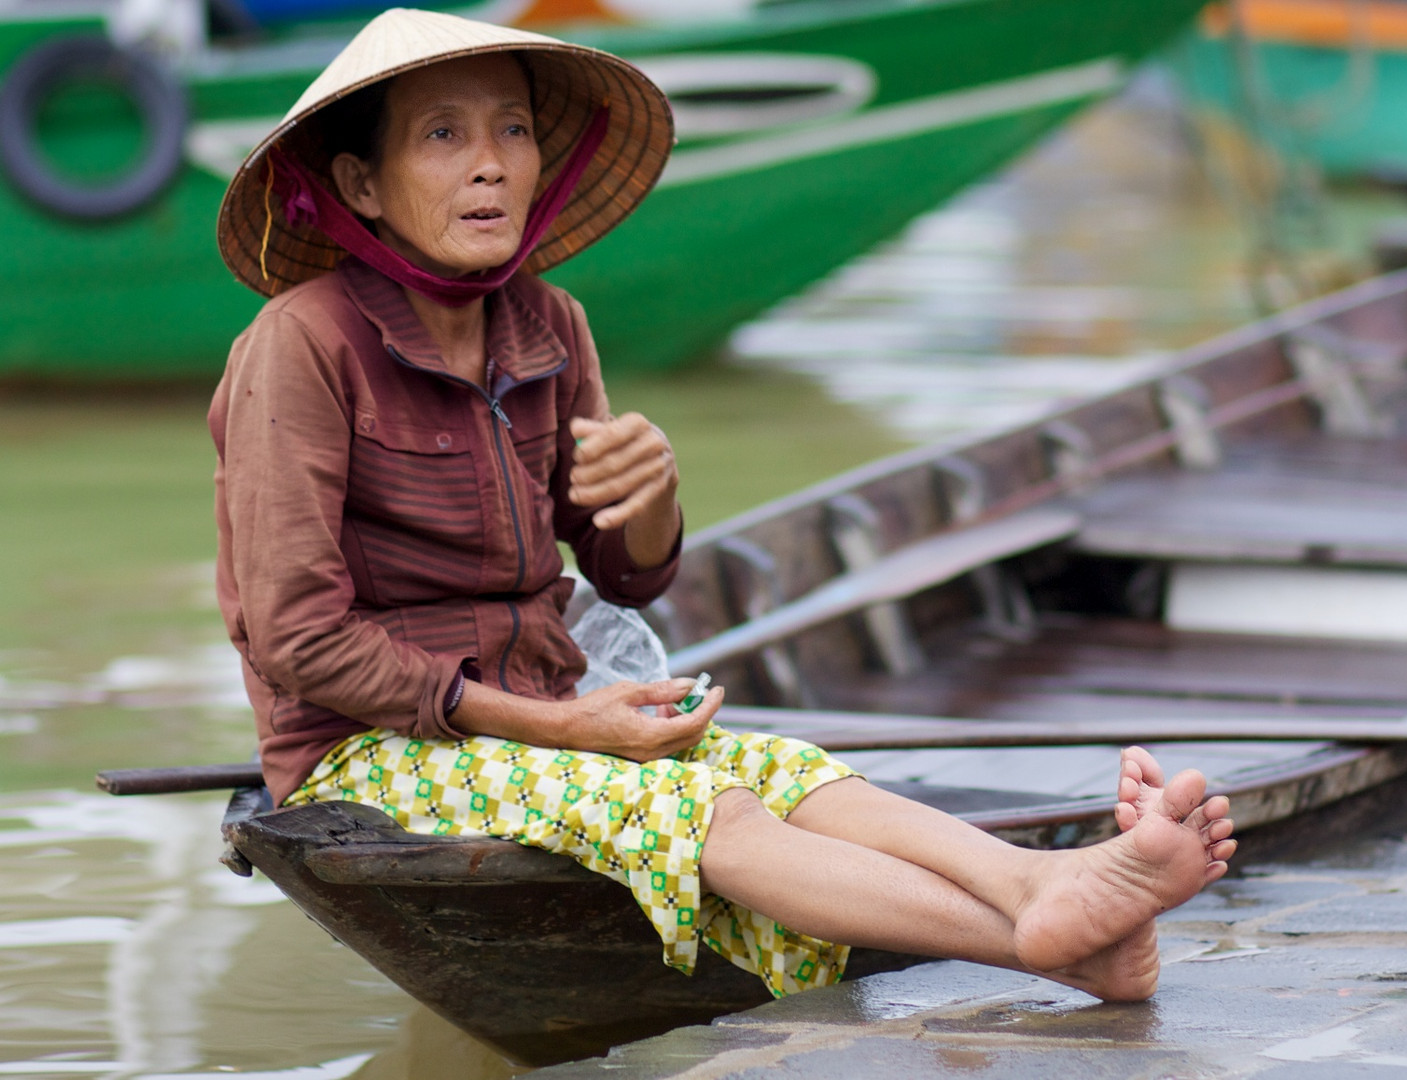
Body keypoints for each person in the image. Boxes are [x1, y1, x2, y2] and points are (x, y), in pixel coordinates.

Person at [209, 8, 1236, 1004]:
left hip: (539, 721)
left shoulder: (546, 321)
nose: (490, 164)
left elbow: (625, 573)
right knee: (709, 805)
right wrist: (567, 732)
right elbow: (297, 638)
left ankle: (1041, 890)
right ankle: (1042, 936)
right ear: (361, 184)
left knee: (790, 769)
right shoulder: (302, 345)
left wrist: (653, 497)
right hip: (373, 754)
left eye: (512, 130)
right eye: (443, 136)